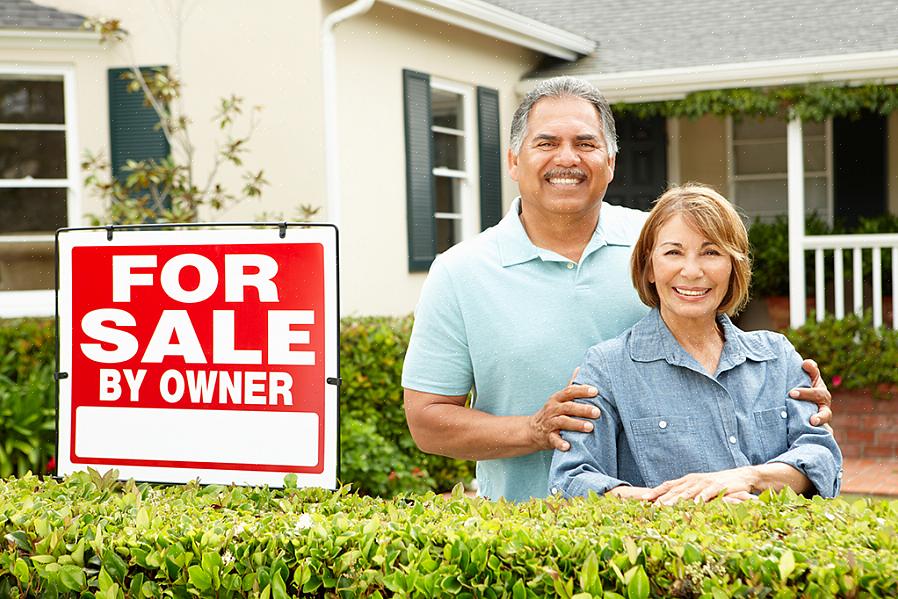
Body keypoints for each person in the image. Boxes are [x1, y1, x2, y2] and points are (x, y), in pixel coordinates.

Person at [402, 76, 833, 502]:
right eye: (546, 143)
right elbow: (426, 422)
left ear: (610, 161)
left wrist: (789, 394)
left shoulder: (664, 243)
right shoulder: (460, 271)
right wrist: (534, 429)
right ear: (514, 160)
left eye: (586, 144)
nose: (567, 158)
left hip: (672, 534)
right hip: (526, 536)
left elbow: (724, 353)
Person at [549, 185, 842, 502]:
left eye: (711, 252)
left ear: (734, 267)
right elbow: (571, 481)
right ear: (649, 266)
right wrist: (673, 505)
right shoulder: (606, 368)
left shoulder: (777, 357)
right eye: (673, 252)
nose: (691, 271)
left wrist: (747, 478)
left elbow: (821, 459)